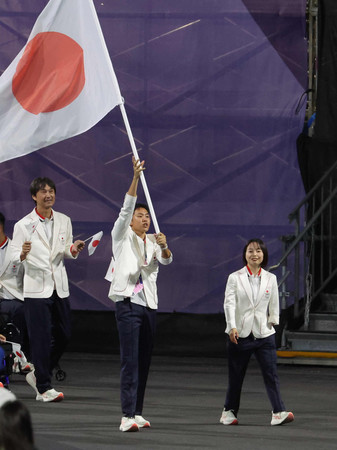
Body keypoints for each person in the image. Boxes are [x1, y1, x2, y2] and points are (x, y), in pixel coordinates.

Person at [108, 157, 173, 432]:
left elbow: (167, 261)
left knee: (144, 360)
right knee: (130, 360)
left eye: (147, 216)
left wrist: (165, 247)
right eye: (140, 215)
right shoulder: (121, 236)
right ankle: (126, 415)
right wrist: (135, 178)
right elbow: (125, 211)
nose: (144, 219)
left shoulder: (152, 241)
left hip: (148, 305)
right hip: (128, 302)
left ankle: (137, 411)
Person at [11, 177, 85, 403]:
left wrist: (73, 249)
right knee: (41, 338)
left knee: (64, 334)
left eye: (51, 191)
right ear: (34, 196)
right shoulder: (23, 225)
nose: (48, 195)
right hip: (36, 288)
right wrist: (21, 255)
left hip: (59, 287)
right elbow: (12, 257)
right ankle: (43, 387)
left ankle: (38, 372)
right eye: (43, 192)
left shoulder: (64, 220)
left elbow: (64, 250)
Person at [220, 239, 294, 426]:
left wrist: (273, 322)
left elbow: (274, 303)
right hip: (240, 334)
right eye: (251, 251)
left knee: (271, 374)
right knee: (236, 376)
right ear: (245, 255)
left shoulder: (270, 278)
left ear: (264, 255)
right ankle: (229, 412)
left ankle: (278, 412)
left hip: (264, 334)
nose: (255, 254)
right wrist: (232, 326)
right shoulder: (235, 277)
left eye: (258, 251)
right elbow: (229, 303)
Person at [0, 212, 32, 374]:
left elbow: (28, 274)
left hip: (13, 297)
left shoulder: (16, 250)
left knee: (18, 310)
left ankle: (16, 358)